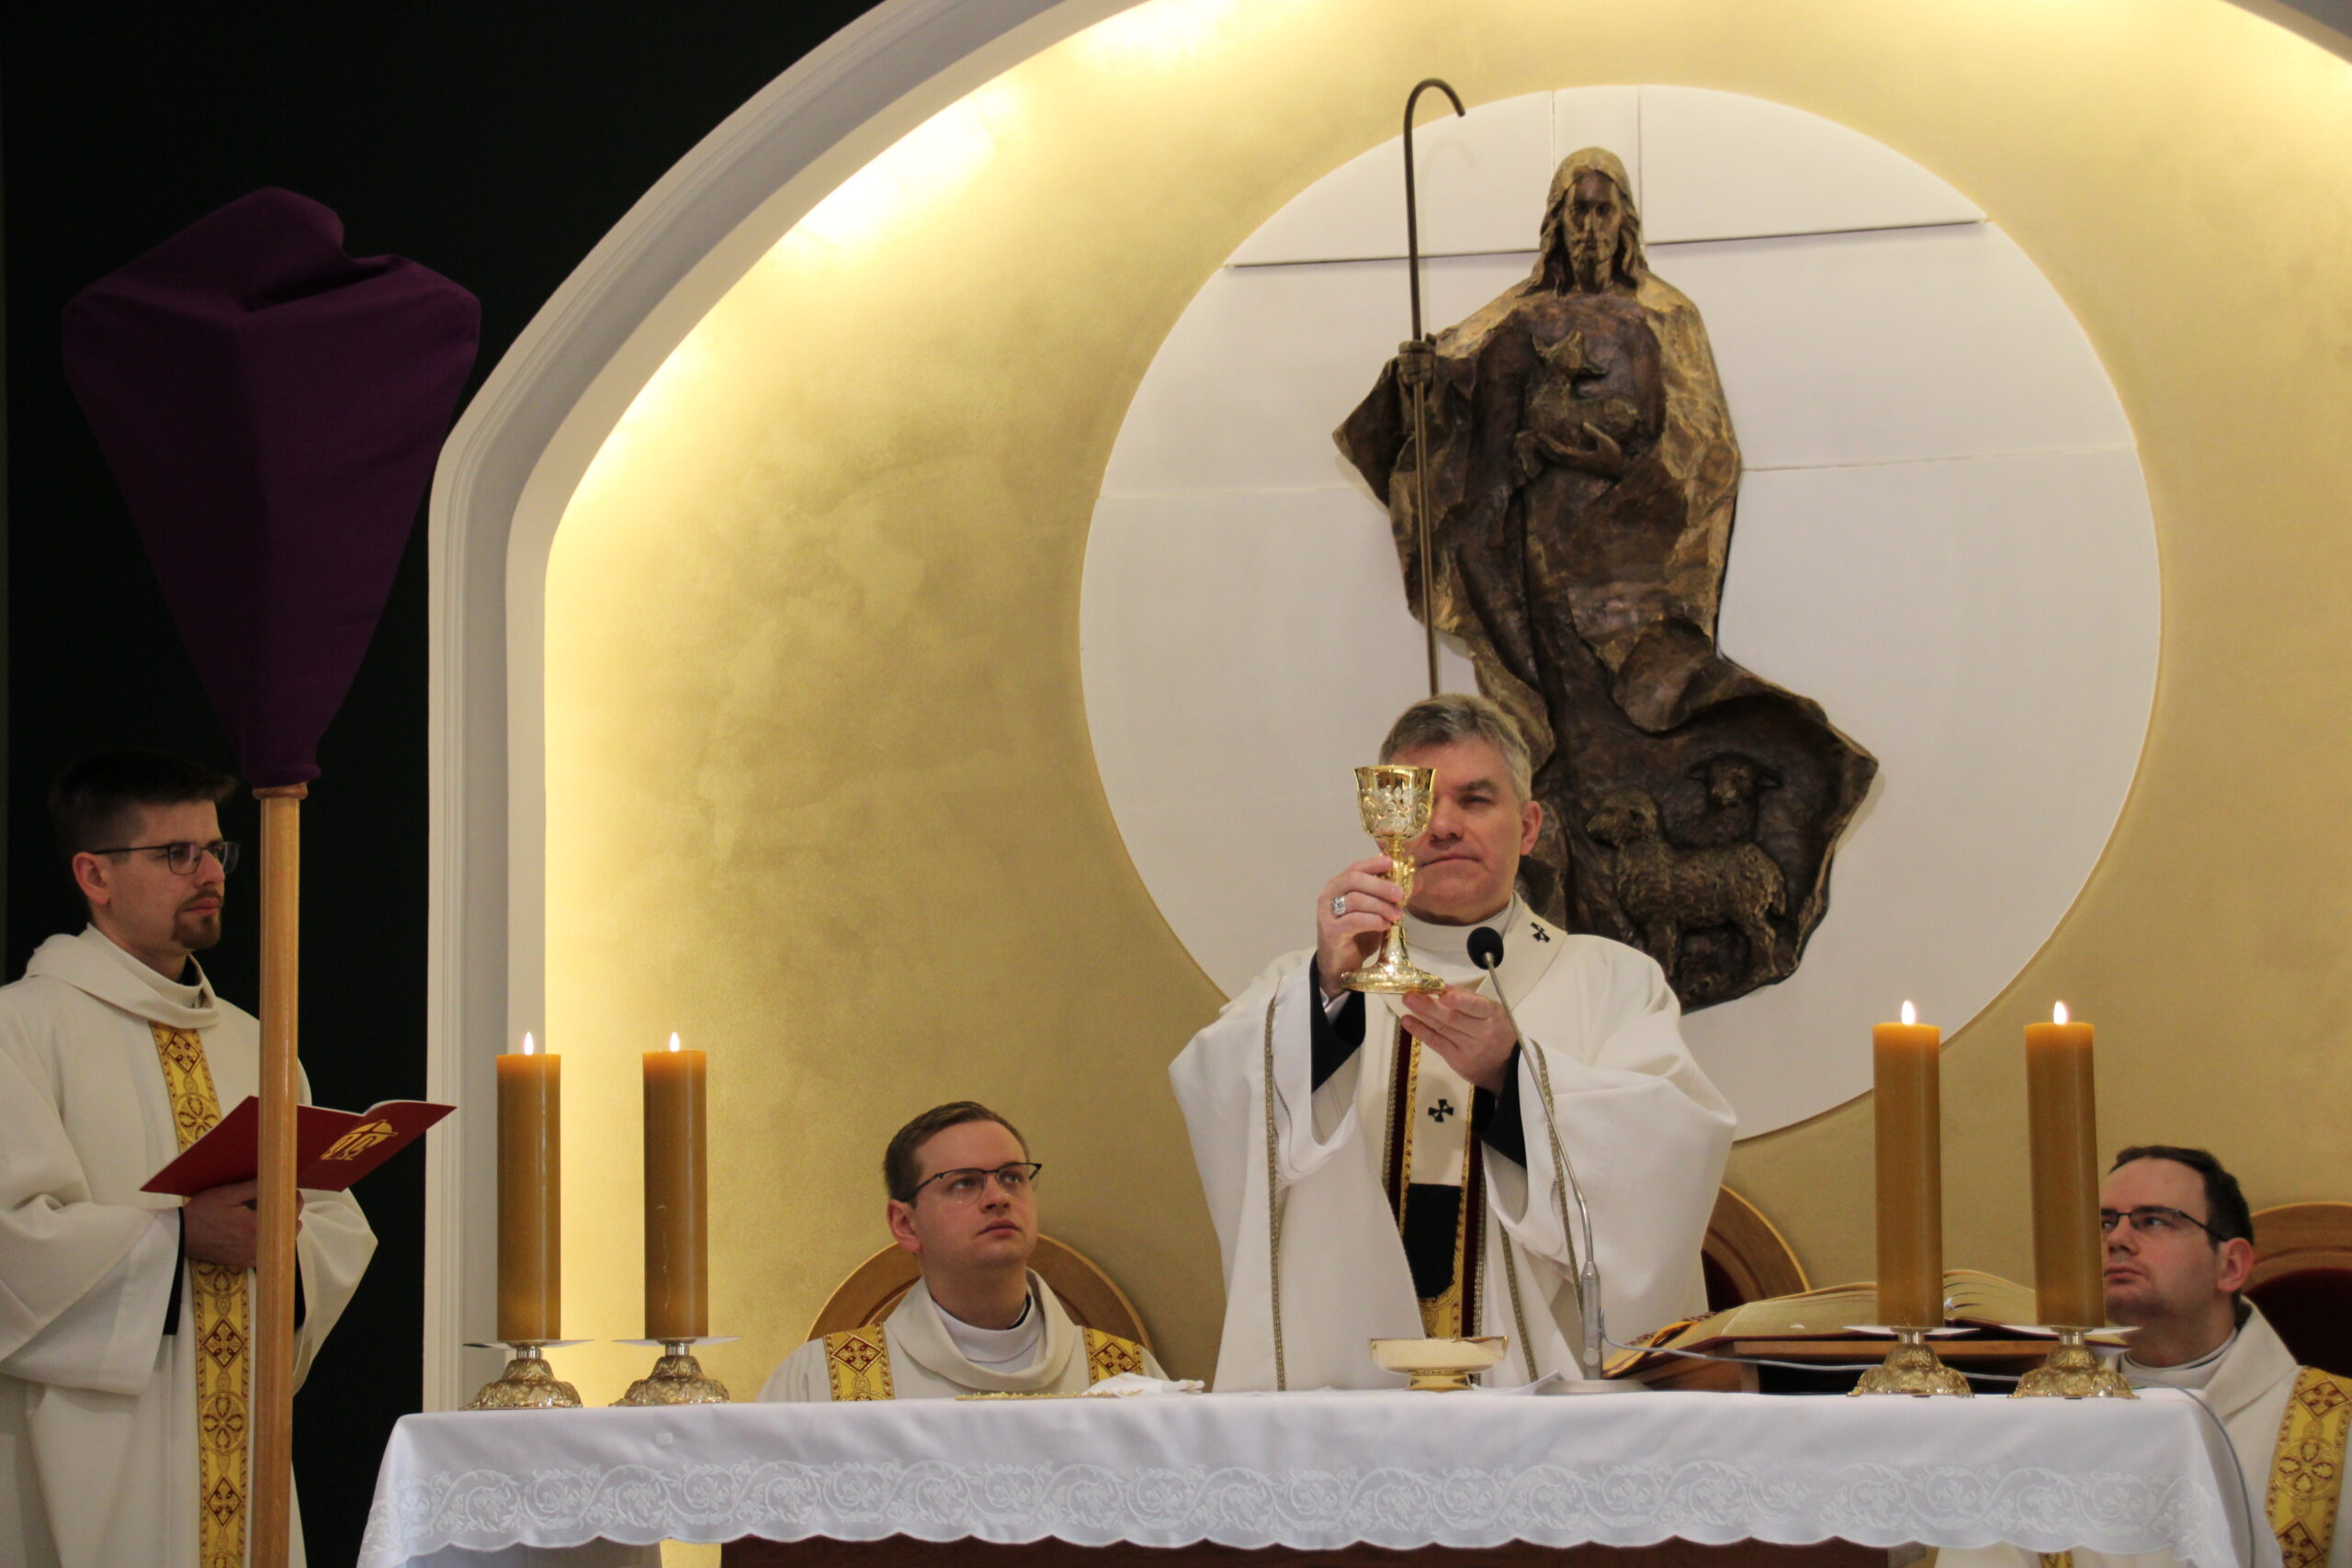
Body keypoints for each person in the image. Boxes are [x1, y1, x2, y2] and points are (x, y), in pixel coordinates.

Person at [1336, 149, 1874, 1007]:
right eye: (1576, 211)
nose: (1590, 227)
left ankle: (1627, 900)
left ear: (1626, 224)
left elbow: (1700, 448)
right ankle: (1572, 889)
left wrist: (1603, 466)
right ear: (1556, 225)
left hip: (1628, 563)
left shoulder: (1662, 316)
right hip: (1542, 556)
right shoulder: (1520, 320)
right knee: (1554, 722)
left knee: (1641, 704)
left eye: (1603, 210)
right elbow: (1460, 404)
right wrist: (1423, 388)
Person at [1170, 694, 1735, 1391]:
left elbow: (1672, 1153)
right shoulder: (1309, 982)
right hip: (1350, 1385)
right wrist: (1326, 994)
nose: (1442, 826)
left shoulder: (1615, 982)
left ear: (1528, 827)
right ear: (1385, 824)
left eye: (1475, 799)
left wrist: (1515, 1077)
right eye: (1419, 802)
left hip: (1543, 1396)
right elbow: (1218, 1094)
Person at [0, 750, 375, 1568]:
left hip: (246, 1441)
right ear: (94, 875)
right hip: (99, 1452)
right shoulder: (22, 1029)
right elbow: (11, 1245)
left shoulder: (255, 1041)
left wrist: (289, 1235)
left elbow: (336, 1225)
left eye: (214, 849)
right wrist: (176, 1241)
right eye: (177, 853)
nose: (210, 873)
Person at [761, 1102, 1164, 1400]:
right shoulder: (821, 1382)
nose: (998, 1197)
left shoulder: (1124, 1378)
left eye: (1012, 1177)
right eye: (964, 1183)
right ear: (905, 1225)